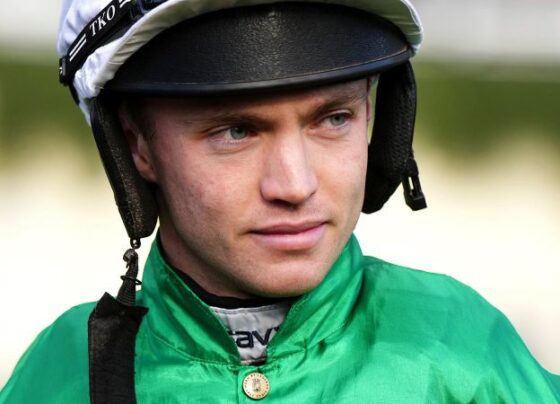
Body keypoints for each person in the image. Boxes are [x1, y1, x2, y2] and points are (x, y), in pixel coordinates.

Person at [1, 0, 559, 402]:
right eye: (236, 131)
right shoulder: (60, 377)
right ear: (136, 145)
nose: (295, 186)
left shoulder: (468, 353)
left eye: (334, 119)